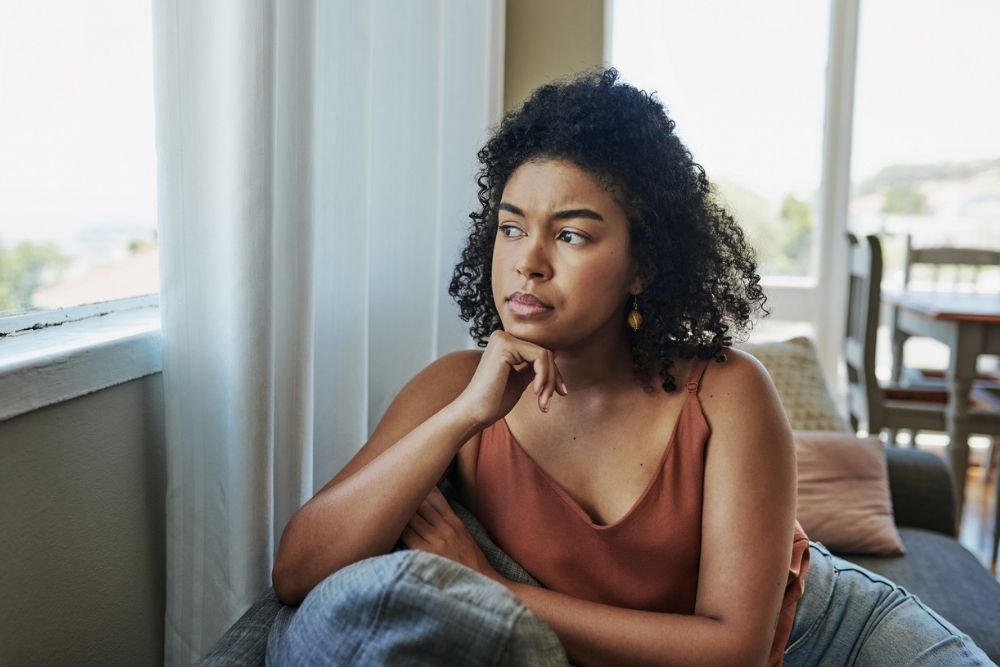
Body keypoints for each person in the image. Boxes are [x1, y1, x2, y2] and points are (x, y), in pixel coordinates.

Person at [270, 69, 993, 666]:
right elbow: (299, 570)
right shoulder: (455, 389)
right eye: (512, 226)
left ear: (644, 263)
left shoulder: (728, 391)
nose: (529, 259)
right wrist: (464, 413)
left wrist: (488, 586)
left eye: (573, 233)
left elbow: (734, 649)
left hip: (837, 637)